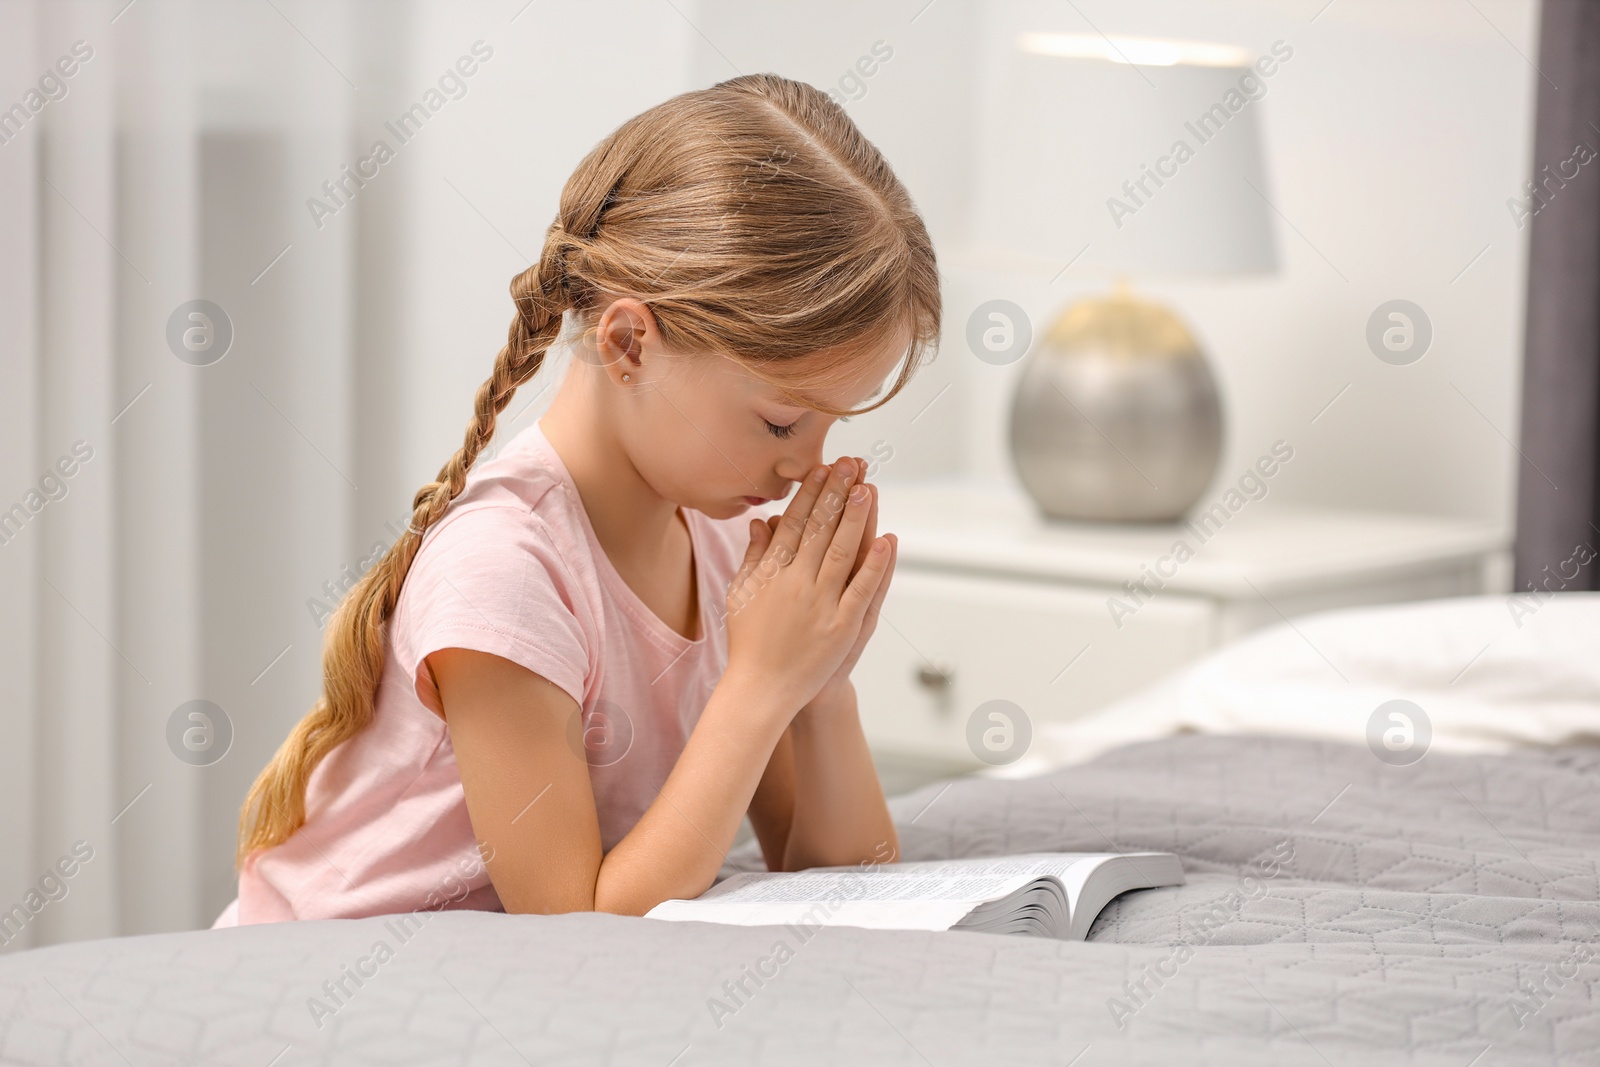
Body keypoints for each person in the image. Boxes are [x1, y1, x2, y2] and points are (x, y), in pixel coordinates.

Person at [212, 72, 941, 925]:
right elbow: (572, 925)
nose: (803, 469)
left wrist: (818, 685)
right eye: (782, 424)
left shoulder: (709, 537)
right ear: (629, 343)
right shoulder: (506, 570)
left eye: (829, 427)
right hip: (331, 993)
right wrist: (759, 683)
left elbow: (838, 885)